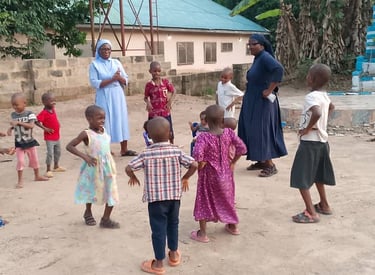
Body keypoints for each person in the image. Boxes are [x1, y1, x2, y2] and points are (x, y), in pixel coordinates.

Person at [125, 116, 197, 274]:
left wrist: (133, 177)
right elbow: (194, 164)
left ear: (149, 136)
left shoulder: (146, 153)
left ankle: (158, 264)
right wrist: (185, 177)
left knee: (158, 229)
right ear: (170, 133)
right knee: (173, 224)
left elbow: (129, 168)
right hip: (174, 198)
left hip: (156, 200)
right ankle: (173, 254)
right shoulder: (176, 150)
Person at [190, 105, 247, 243]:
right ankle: (233, 226)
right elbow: (242, 148)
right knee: (228, 198)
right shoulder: (229, 133)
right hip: (226, 174)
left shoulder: (203, 137)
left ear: (207, 121)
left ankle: (202, 234)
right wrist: (233, 162)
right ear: (222, 121)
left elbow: (197, 155)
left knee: (203, 200)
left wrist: (202, 162)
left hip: (208, 176)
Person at [290, 64, 336, 223]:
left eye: (309, 75)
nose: (306, 78)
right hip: (322, 142)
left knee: (300, 178)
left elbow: (316, 112)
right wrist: (322, 123)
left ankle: (311, 213)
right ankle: (324, 205)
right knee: (318, 175)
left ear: (314, 79)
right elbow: (331, 107)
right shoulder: (324, 95)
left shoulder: (311, 97)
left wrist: (308, 128)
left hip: (310, 142)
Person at [238, 34, 287, 177]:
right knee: (251, 129)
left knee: (261, 130)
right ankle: (260, 160)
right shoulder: (258, 58)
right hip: (253, 99)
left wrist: (269, 90)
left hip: (262, 102)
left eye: (253, 44)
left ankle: (270, 164)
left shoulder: (265, 57)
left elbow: (279, 70)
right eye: (249, 44)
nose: (250, 47)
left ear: (262, 45)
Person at [66, 105, 120, 229]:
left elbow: (103, 143)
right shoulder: (86, 134)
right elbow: (70, 146)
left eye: (104, 118)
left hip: (107, 167)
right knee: (91, 190)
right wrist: (85, 156)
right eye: (99, 118)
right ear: (89, 119)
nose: (102, 121)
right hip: (93, 167)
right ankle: (88, 212)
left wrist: (108, 152)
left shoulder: (103, 130)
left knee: (111, 191)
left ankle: (106, 219)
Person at [89, 39, 136, 157]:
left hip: (117, 94)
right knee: (104, 121)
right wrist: (112, 79)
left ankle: (124, 149)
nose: (106, 51)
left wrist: (119, 78)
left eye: (108, 49)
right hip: (103, 95)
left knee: (121, 119)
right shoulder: (94, 65)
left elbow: (125, 79)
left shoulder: (116, 63)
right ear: (98, 50)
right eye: (103, 49)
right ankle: (105, 150)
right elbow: (95, 83)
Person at [7, 93, 49, 188]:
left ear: (24, 103)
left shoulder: (30, 114)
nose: (14, 107)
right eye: (13, 105)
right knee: (20, 161)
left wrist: (18, 122)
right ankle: (20, 180)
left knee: (34, 160)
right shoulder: (13, 114)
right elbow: (15, 125)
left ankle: (37, 176)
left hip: (29, 141)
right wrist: (11, 128)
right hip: (19, 143)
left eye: (16, 105)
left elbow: (31, 125)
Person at [144, 61, 176, 144]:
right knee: (152, 131)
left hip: (165, 111)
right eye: (154, 71)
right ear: (150, 71)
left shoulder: (165, 82)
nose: (156, 73)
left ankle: (172, 146)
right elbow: (146, 97)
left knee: (169, 131)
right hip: (154, 112)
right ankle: (153, 147)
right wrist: (148, 103)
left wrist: (170, 102)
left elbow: (173, 91)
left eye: (158, 71)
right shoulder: (149, 85)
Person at [36, 92, 66, 178]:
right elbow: (36, 121)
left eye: (54, 100)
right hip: (49, 137)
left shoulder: (53, 109)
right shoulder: (44, 112)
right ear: (44, 102)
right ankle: (48, 169)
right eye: (51, 100)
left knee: (58, 152)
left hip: (57, 136)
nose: (53, 102)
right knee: (50, 153)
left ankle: (56, 166)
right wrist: (45, 128)